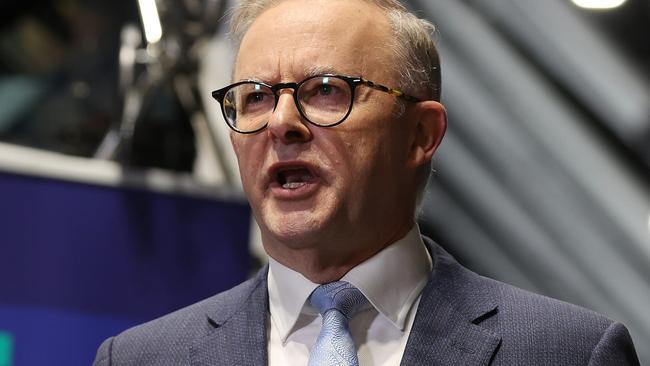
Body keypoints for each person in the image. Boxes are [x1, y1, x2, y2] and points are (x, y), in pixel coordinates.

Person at [93, 0, 640, 365]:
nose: (281, 122)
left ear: (421, 134)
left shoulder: (567, 353)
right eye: (255, 96)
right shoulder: (142, 358)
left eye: (326, 90)